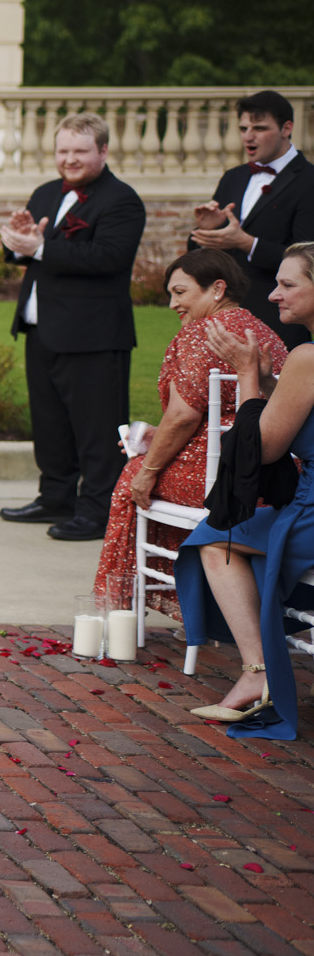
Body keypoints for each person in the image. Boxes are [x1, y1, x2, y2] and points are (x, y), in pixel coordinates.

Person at [90, 249, 287, 625]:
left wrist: (148, 468)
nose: (171, 303)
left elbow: (183, 416)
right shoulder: (265, 332)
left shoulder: (200, 333)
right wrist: (156, 433)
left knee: (132, 479)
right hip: (273, 475)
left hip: (220, 479)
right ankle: (202, 603)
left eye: (180, 292)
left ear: (217, 288)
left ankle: (118, 613)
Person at [177, 244, 314, 735]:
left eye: (289, 284)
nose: (273, 293)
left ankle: (258, 672)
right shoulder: (301, 363)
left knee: (216, 537)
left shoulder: (308, 357)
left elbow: (264, 449)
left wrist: (247, 374)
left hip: (311, 515)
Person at [0, 112, 145, 542]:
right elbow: (31, 251)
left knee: (97, 430)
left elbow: (108, 259)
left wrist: (42, 248)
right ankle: (55, 496)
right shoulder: (46, 193)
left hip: (94, 335)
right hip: (42, 328)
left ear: (102, 151)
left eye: (80, 151)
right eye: (63, 151)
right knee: (49, 424)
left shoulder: (121, 200)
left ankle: (99, 509)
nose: (69, 159)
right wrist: (20, 242)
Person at [192, 90, 314, 348]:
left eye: (259, 128)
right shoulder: (233, 177)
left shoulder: (308, 180)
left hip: (280, 321)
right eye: (243, 128)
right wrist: (206, 232)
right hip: (225, 319)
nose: (248, 135)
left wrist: (247, 243)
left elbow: (308, 258)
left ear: (286, 128)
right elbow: (199, 257)